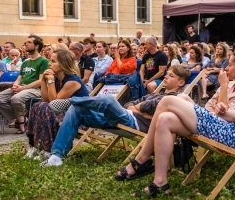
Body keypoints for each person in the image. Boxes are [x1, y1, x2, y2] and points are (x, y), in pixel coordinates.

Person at [114, 39, 235, 196]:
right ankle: (160, 182)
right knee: (165, 119)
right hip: (227, 128)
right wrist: (223, 110)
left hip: (232, 135)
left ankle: (141, 160)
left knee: (169, 100)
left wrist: (224, 112)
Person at [42, 65, 191, 167]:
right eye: (167, 73)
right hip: (124, 116)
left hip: (133, 123)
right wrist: (141, 110)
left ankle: (73, 100)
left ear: (181, 82)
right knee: (76, 110)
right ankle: (56, 156)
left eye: (171, 75)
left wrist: (139, 109)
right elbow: (130, 104)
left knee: (108, 100)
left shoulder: (175, 100)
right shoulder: (156, 94)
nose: (166, 76)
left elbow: (146, 108)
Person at [25, 49, 89, 159]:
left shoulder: (73, 81)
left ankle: (50, 149)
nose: (49, 64)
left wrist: (50, 81)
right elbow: (45, 99)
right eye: (50, 61)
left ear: (64, 64)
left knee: (47, 109)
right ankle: (34, 146)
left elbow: (54, 103)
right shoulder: (56, 78)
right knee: (37, 106)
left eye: (53, 61)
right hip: (63, 113)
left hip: (79, 118)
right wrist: (44, 81)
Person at [0, 35, 49, 134]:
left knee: (16, 99)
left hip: (36, 89)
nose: (26, 44)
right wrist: (15, 85)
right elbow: (19, 78)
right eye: (26, 42)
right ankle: (21, 119)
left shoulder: (43, 61)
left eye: (29, 42)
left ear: (37, 46)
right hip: (22, 87)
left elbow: (40, 81)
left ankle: (22, 125)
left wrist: (22, 88)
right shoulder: (26, 63)